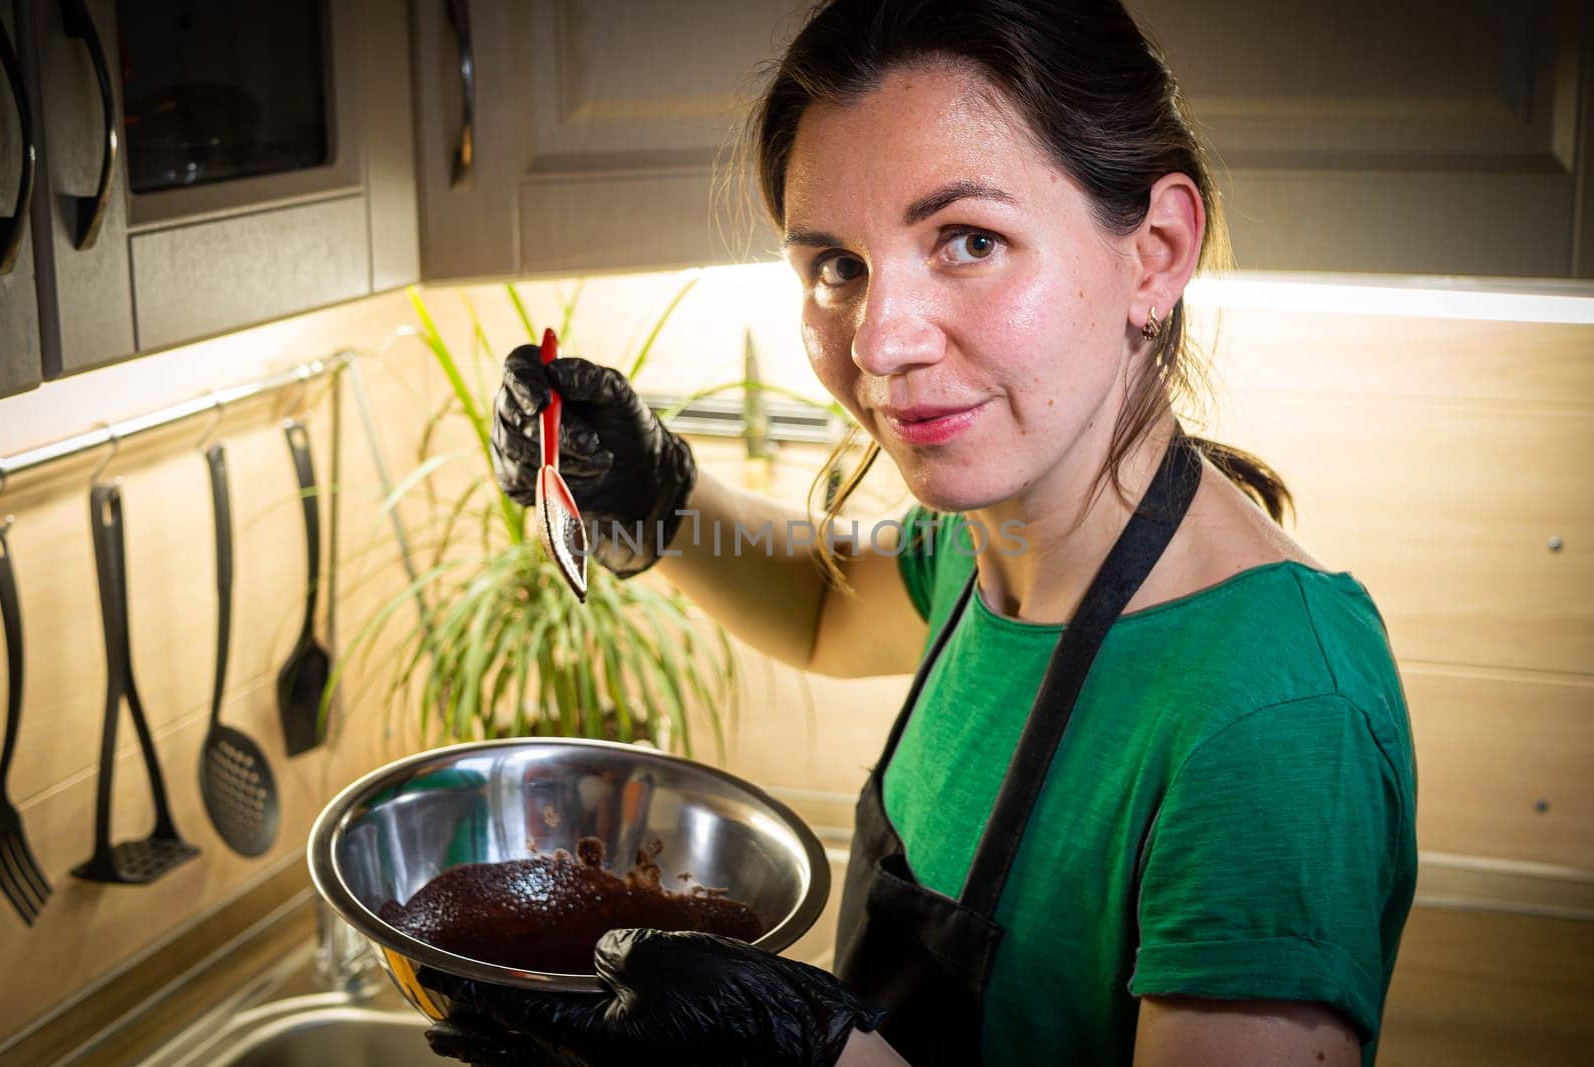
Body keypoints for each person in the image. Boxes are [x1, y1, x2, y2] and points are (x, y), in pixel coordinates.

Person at [446, 1, 1419, 1064]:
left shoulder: (1275, 715)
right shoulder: (990, 538)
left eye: (967, 240)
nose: (880, 341)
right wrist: (653, 495)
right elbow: (826, 610)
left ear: (1155, 252)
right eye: (836, 266)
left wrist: (799, 1050)